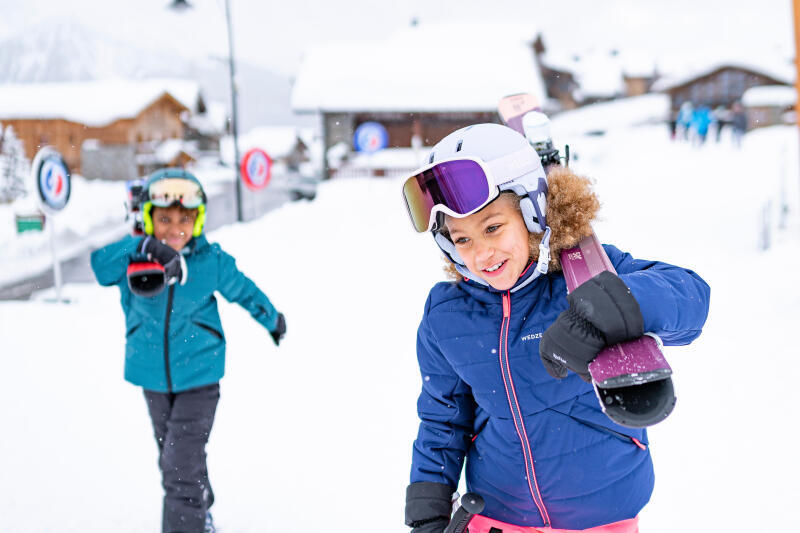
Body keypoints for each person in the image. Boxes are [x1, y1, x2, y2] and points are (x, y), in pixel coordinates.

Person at [400, 124, 710, 533]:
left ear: (532, 213)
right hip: (497, 514)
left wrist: (610, 305)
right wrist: (429, 501)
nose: (481, 254)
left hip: (603, 514)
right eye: (462, 239)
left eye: (493, 228)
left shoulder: (583, 274)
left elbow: (691, 298)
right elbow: (444, 416)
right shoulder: (447, 313)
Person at [90, 168, 286, 533]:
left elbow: (244, 290)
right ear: (149, 217)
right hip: (152, 377)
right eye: (164, 218)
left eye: (185, 218)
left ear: (198, 221)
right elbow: (99, 267)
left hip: (200, 375)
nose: (174, 228)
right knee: (177, 459)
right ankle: (200, 509)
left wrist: (272, 319)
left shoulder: (208, 261)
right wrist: (141, 247)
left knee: (179, 460)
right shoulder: (136, 257)